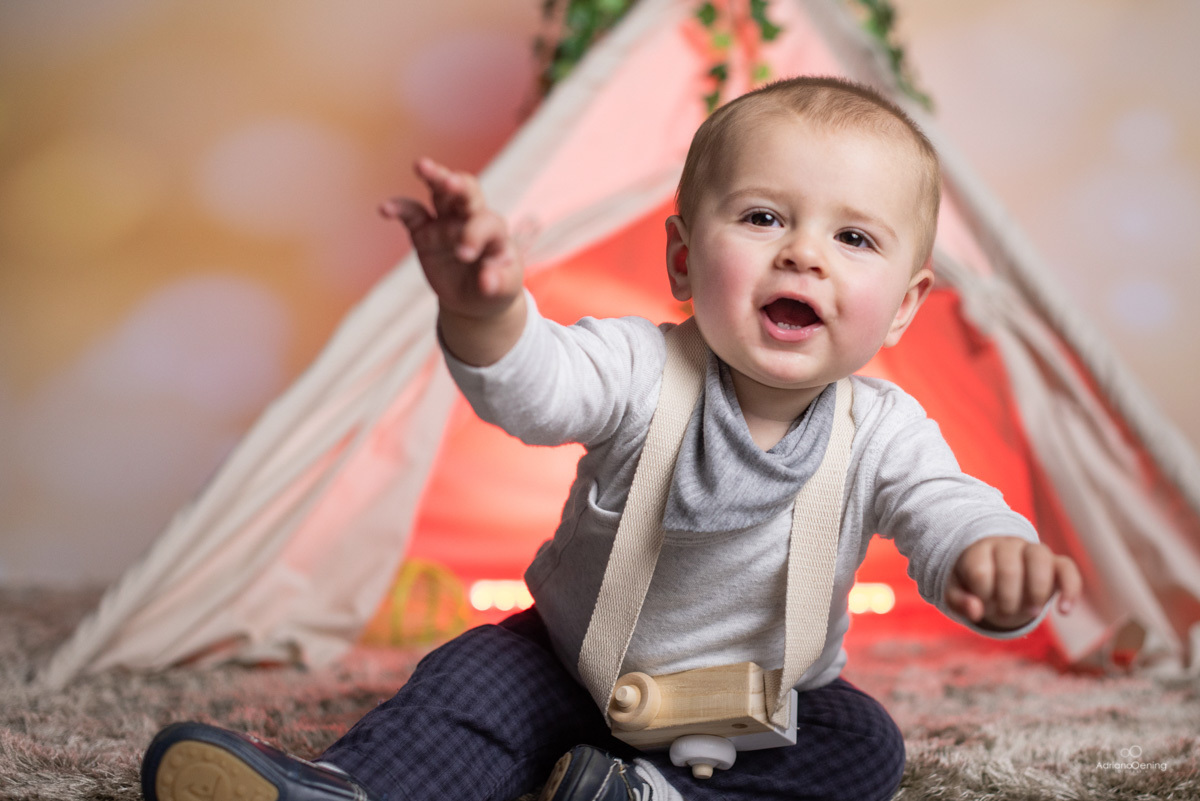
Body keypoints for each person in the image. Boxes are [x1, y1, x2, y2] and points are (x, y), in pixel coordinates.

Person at [140, 76, 1082, 801]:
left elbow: (941, 505)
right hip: (572, 661)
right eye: (762, 218)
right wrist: (488, 311)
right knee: (468, 685)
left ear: (906, 307)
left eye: (856, 240)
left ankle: (644, 792)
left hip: (753, 704)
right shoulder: (638, 366)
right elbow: (536, 387)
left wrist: (987, 557)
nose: (803, 253)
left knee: (863, 746)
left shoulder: (882, 429)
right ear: (683, 257)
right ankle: (352, 789)